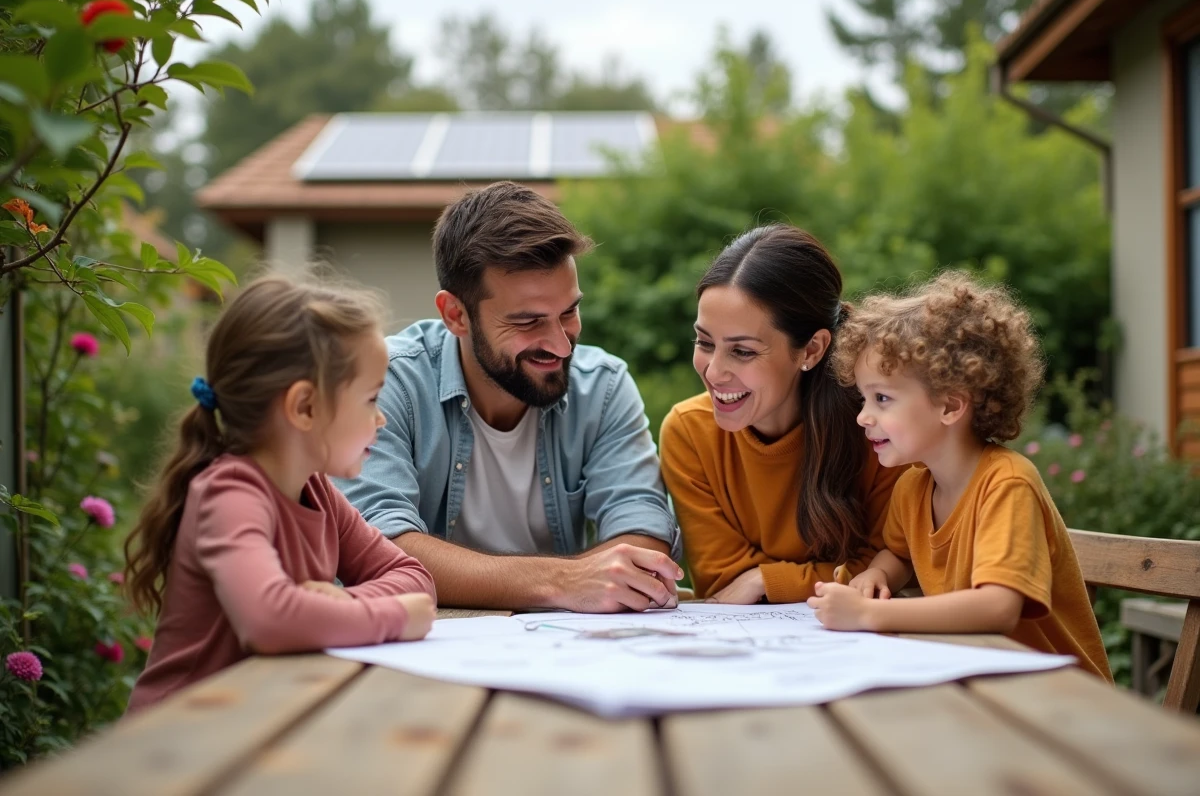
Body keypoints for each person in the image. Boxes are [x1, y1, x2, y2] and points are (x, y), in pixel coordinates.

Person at [339, 181, 682, 612]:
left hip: (559, 643)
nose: (561, 345)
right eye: (528, 322)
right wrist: (564, 581)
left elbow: (644, 529)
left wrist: (577, 581)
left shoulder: (603, 386)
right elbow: (377, 548)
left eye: (569, 312)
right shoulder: (384, 382)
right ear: (456, 315)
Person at [124, 275, 437, 713]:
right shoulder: (230, 494)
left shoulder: (317, 490)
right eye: (371, 399)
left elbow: (412, 576)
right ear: (304, 407)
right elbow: (270, 620)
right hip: (176, 733)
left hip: (252, 719)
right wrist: (398, 616)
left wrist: (345, 601)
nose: (381, 419)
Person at [808, 271, 1111, 680]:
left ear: (950, 406)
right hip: (987, 682)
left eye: (882, 398)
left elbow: (998, 608)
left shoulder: (1007, 484)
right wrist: (878, 574)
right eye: (864, 398)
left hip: (1061, 694)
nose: (863, 416)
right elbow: (899, 554)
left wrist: (868, 613)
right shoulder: (913, 487)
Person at [659, 224, 905, 604]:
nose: (714, 372)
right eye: (705, 342)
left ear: (811, 349)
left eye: (742, 351)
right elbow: (724, 581)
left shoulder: (877, 430)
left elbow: (891, 563)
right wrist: (803, 578)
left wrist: (765, 579)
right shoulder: (689, 433)